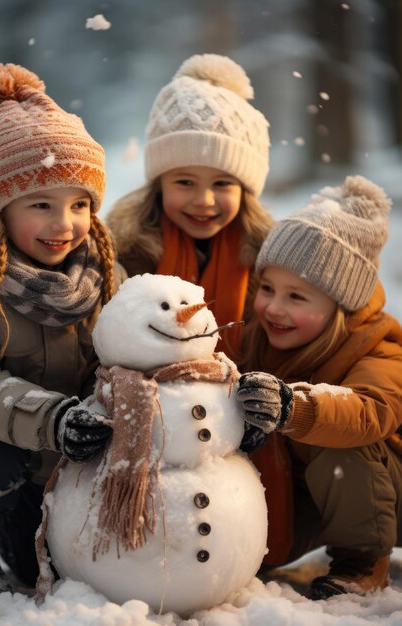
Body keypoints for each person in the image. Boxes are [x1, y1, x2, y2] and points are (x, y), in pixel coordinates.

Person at [0, 63, 124, 601]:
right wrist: (54, 417)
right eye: (41, 204)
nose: (64, 224)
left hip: (54, 451)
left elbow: (130, 351)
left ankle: (23, 528)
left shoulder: (102, 273)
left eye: (79, 204)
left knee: (34, 562)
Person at [236, 175, 402, 599]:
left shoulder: (378, 350)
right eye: (268, 289)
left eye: (297, 297)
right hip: (314, 493)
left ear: (339, 305)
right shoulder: (258, 340)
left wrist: (295, 408)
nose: (274, 308)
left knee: (342, 439)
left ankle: (363, 563)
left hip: (384, 492)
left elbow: (370, 410)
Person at [107, 53, 273, 360]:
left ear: (245, 191)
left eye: (222, 184)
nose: (204, 200)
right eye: (185, 182)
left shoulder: (271, 263)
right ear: (159, 184)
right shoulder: (123, 255)